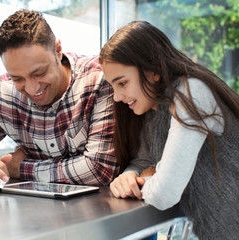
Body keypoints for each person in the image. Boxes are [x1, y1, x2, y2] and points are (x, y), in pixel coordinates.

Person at [0, 9, 118, 190]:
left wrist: (20, 168)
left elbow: (99, 169)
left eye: (39, 73)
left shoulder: (99, 80)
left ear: (58, 51)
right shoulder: (3, 95)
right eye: (18, 78)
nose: (31, 88)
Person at [99, 21, 239, 239]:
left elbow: (165, 193)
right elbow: (144, 162)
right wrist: (128, 177)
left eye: (123, 83)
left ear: (153, 70)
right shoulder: (154, 107)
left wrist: (146, 180)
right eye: (113, 86)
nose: (116, 96)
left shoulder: (191, 93)